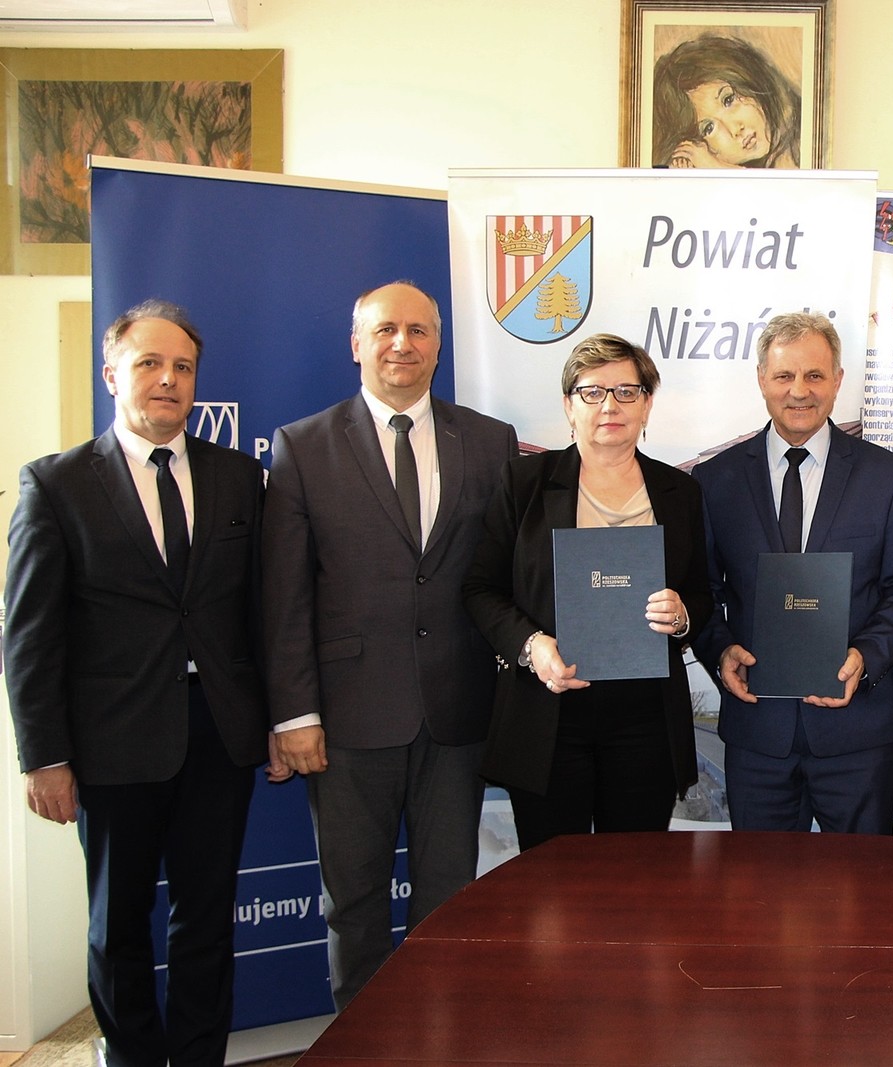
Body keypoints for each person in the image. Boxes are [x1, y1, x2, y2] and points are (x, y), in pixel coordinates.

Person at [5, 299, 284, 1066]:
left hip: (218, 734)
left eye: (183, 367)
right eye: (150, 363)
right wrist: (44, 755)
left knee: (207, 920)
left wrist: (280, 718)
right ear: (112, 374)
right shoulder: (57, 483)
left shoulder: (238, 477)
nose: (168, 379)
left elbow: (261, 612)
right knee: (117, 925)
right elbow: (29, 635)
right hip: (111, 742)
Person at [262, 281, 518, 1011]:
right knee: (354, 905)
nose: (402, 344)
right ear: (357, 345)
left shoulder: (490, 441)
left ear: (439, 344)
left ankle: (439, 1045)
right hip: (347, 720)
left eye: (418, 330)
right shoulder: (303, 446)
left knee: (449, 902)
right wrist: (294, 714)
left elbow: (505, 572)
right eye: (385, 330)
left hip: (457, 716)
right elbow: (284, 595)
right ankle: (362, 1049)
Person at [462, 334, 710, 850]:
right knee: (553, 882)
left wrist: (683, 615)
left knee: (635, 876)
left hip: (645, 719)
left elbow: (701, 593)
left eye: (626, 391)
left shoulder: (680, 491)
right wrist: (532, 645)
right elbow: (481, 588)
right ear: (568, 406)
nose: (610, 406)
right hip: (549, 717)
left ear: (646, 404)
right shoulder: (524, 482)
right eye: (592, 392)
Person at [693, 311, 893, 834]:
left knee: (861, 882)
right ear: (762, 379)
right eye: (784, 375)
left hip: (858, 735)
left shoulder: (887, 475)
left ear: (838, 380)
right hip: (758, 735)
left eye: (815, 375)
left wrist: (864, 657)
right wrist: (720, 650)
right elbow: (702, 592)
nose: (799, 390)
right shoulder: (715, 481)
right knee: (760, 881)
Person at [652, 34, 801, 169]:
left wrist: (716, 168)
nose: (735, 130)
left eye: (728, 100)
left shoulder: (797, 144)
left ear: (750, 80)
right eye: (709, 128)